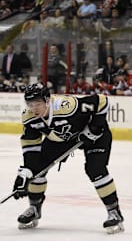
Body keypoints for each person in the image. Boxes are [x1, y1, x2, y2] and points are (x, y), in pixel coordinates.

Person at [12, 83, 124, 233]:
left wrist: (95, 127)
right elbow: (31, 146)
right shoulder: (29, 118)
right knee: (37, 169)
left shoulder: (67, 107)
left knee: (95, 169)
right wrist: (26, 172)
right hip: (63, 139)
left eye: (37, 103)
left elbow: (102, 101)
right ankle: (34, 208)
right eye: (30, 104)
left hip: (96, 136)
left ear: (47, 100)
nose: (33, 108)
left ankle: (114, 211)